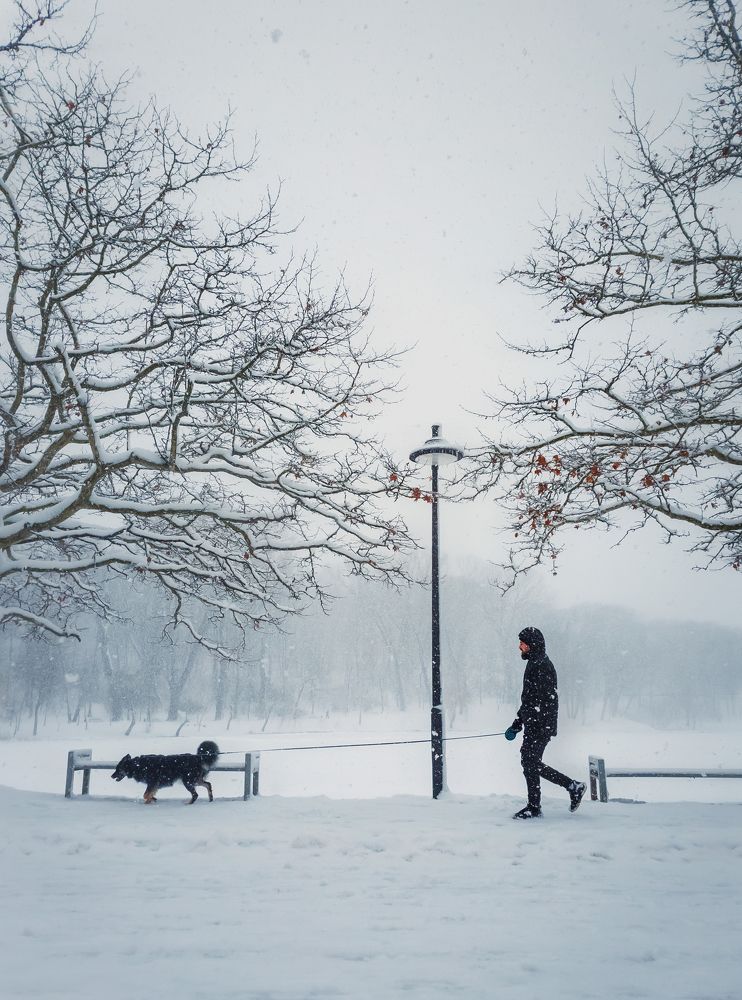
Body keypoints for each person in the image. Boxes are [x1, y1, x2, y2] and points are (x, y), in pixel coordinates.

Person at [505, 626, 586, 819]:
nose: (519, 647)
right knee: (529, 762)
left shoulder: (542, 666)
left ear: (531, 645)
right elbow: (529, 699)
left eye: (522, 643)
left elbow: (547, 701)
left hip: (540, 726)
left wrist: (537, 725)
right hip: (535, 724)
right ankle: (568, 789)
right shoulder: (534, 663)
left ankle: (541, 803)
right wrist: (518, 723)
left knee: (529, 762)